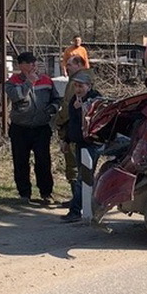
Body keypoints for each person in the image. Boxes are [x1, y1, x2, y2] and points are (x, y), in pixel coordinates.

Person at [5, 51, 61, 205]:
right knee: (21, 161)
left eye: (35, 63)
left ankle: (46, 192)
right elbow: (17, 97)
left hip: (41, 128)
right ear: (20, 65)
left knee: (43, 161)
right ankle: (24, 193)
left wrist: (51, 109)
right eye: (29, 63)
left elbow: (56, 99)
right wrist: (28, 82)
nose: (33, 66)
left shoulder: (47, 80)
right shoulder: (12, 82)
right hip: (20, 128)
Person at [60, 70, 103, 222]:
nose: (78, 89)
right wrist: (66, 140)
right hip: (79, 143)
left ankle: (76, 210)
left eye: (81, 86)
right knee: (83, 177)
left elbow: (91, 123)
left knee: (83, 178)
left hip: (91, 144)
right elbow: (72, 123)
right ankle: (85, 207)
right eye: (76, 86)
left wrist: (81, 110)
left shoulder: (95, 100)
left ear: (89, 86)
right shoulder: (75, 99)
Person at [54, 54, 87, 207]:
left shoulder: (77, 81)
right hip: (80, 129)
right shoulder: (84, 78)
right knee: (80, 166)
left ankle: (78, 201)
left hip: (75, 129)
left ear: (79, 64)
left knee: (74, 166)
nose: (67, 68)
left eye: (70, 65)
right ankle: (79, 200)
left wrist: (57, 121)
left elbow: (68, 106)